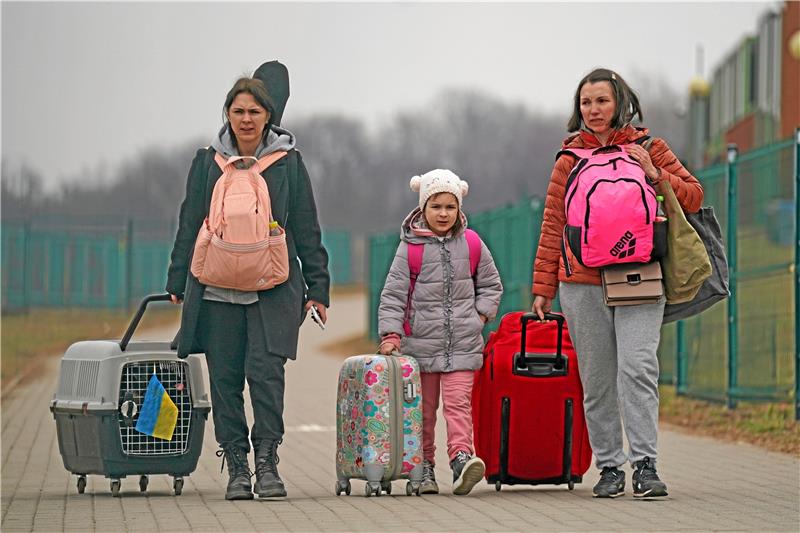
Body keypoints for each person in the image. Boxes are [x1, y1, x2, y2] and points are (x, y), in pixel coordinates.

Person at [532, 68, 703, 499]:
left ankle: (645, 465)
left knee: (638, 368)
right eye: (586, 103)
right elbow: (553, 224)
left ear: (620, 103)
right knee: (597, 379)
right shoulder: (568, 159)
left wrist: (656, 174)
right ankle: (610, 466)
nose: (594, 110)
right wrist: (543, 288)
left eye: (602, 101)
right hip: (581, 280)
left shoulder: (650, 147)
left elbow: (694, 196)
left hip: (639, 274)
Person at [166, 61, 330, 501]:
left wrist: (318, 290)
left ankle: (267, 462)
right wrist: (177, 278)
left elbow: (307, 228)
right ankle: (237, 466)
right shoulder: (207, 162)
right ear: (227, 114)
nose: (246, 119)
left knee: (266, 377)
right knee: (225, 382)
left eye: (254, 112)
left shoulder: (288, 163)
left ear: (268, 116)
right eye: (238, 111)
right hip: (216, 292)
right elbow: (189, 222)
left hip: (272, 291)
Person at [377, 169, 503, 495]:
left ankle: (461, 459)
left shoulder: (472, 243)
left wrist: (479, 316)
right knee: (423, 411)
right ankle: (424, 467)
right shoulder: (410, 249)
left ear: (459, 208)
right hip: (420, 347)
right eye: (436, 207)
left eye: (450, 207)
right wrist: (391, 335)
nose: (443, 214)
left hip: (463, 344)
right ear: (423, 208)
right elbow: (393, 295)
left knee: (459, 404)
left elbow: (491, 284)